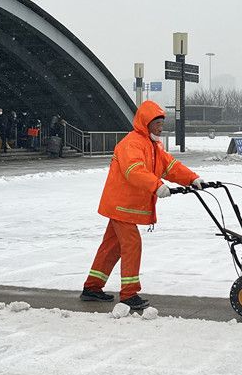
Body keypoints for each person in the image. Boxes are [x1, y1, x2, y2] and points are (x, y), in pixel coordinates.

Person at [80, 100, 206, 310]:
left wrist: (192, 179)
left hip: (124, 205)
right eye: (156, 123)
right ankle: (129, 294)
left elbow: (170, 166)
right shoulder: (132, 144)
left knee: (112, 247)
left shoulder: (153, 145)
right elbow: (134, 171)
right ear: (145, 123)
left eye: (161, 122)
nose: (160, 126)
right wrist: (156, 186)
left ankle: (92, 287)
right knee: (131, 244)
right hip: (121, 205)